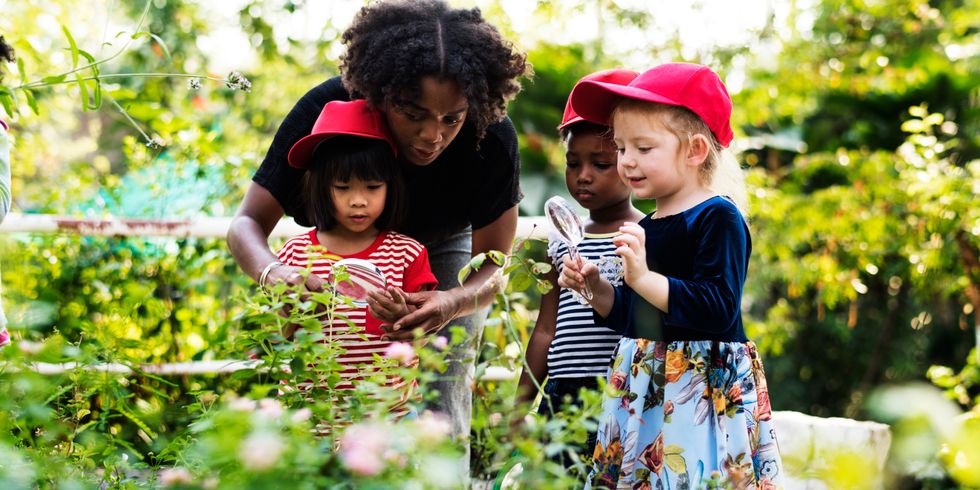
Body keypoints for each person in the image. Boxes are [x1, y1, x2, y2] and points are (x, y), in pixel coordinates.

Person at [226, 0, 529, 462]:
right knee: (326, 375)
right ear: (380, 92)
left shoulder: (491, 135)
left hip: (444, 248)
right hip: (334, 252)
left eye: (452, 118)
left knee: (442, 371)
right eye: (415, 113)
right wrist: (275, 275)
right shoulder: (327, 107)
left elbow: (494, 265)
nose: (434, 135)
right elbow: (247, 223)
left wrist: (454, 300)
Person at [560, 62, 784, 489]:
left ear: (695, 150)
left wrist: (643, 277)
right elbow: (636, 316)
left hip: (699, 388)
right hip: (647, 384)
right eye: (622, 148)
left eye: (643, 149)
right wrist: (597, 289)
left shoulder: (718, 216)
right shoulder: (646, 226)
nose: (627, 162)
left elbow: (717, 308)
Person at [274, 99, 438, 423]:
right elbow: (281, 334)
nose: (359, 200)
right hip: (312, 416)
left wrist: (401, 316)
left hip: (388, 415)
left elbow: (424, 332)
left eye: (373, 187)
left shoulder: (407, 253)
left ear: (391, 186)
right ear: (321, 187)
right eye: (343, 187)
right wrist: (297, 312)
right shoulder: (293, 255)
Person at [514, 69, 643, 469]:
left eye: (600, 164)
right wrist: (520, 403)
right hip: (561, 394)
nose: (583, 175)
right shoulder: (559, 238)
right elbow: (546, 327)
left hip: (620, 393)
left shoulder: (645, 234)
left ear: (630, 160)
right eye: (573, 163)